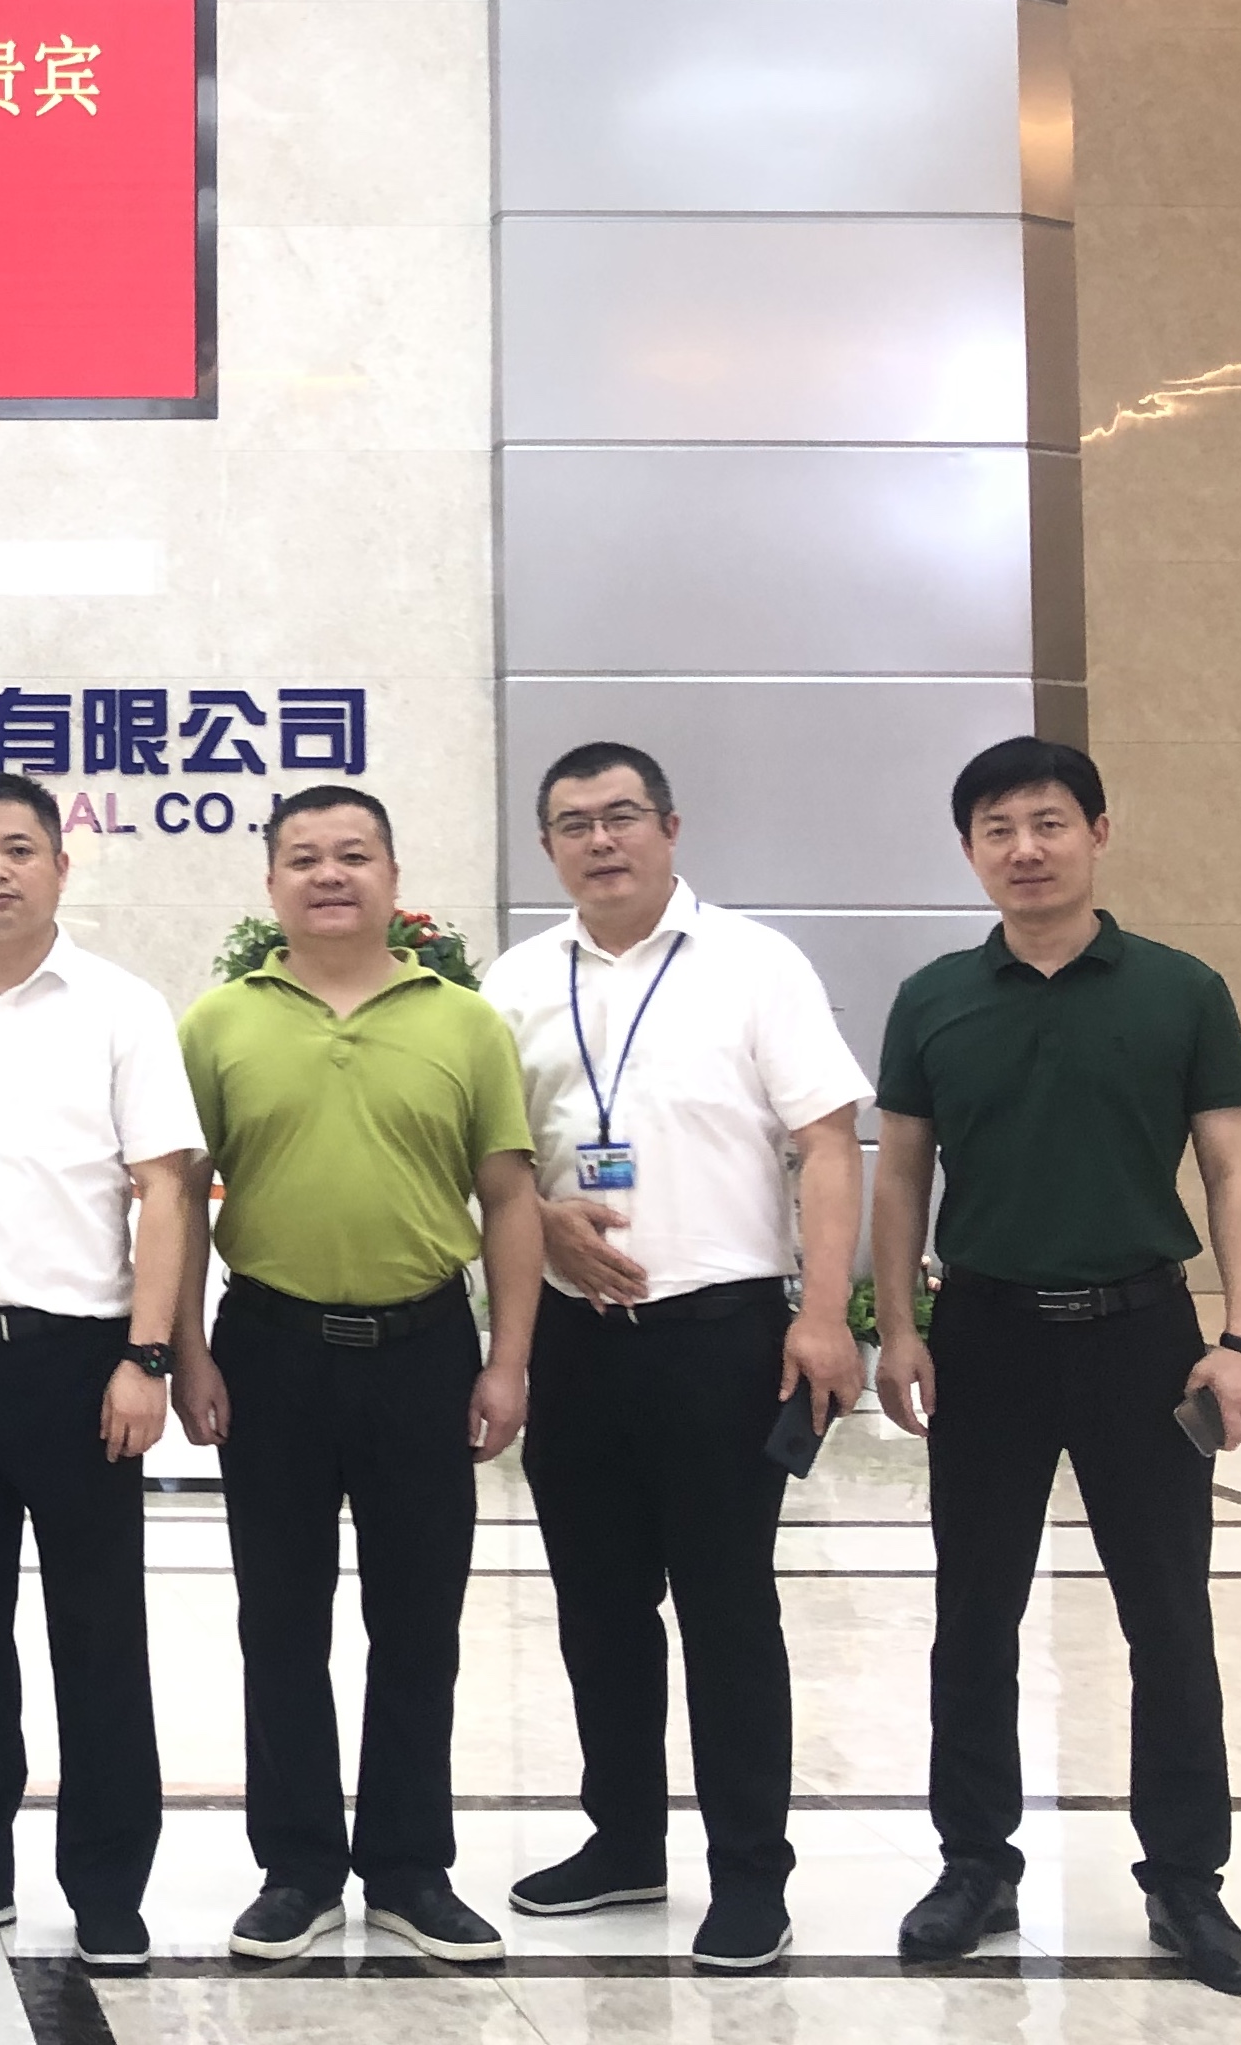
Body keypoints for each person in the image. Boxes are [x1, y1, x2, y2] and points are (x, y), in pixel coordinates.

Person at [872, 737, 1241, 1999]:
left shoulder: (1181, 990)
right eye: (997, 830)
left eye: (1049, 823)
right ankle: (975, 1864)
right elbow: (900, 1176)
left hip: (1142, 1337)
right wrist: (899, 1328)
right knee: (974, 1611)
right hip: (985, 1334)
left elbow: (1233, 1170)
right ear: (969, 852)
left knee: (1168, 1616)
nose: (1026, 850)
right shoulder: (933, 997)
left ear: (1099, 832)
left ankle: (1186, 1881)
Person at [480, 742, 868, 1974]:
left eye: (621, 816)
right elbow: (492, 1169)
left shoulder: (756, 965)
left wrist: (824, 1314)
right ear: (548, 848)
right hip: (577, 1346)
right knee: (598, 1611)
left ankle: (751, 1874)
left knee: (727, 1609)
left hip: (723, 1337)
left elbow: (828, 1144)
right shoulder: (514, 984)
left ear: (670, 827)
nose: (601, 842)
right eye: (573, 824)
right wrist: (544, 1224)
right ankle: (623, 1842)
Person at [168, 784, 540, 1968]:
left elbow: (509, 1198)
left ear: (391, 876)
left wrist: (508, 1359)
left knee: (418, 1623)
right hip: (268, 1350)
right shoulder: (219, 1022)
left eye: (353, 855)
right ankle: (296, 1870)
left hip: (424, 1352)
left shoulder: (464, 1024)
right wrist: (187, 1350)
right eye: (305, 858)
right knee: (280, 1622)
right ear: (272, 883)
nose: (330, 875)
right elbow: (175, 1195)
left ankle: (411, 1868)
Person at [0, 774, 204, 1971]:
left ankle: (108, 1886)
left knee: (99, 1636)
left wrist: (147, 1356)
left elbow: (166, 1190)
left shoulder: (122, 1007)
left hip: (82, 1363)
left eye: (20, 849)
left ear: (62, 865)